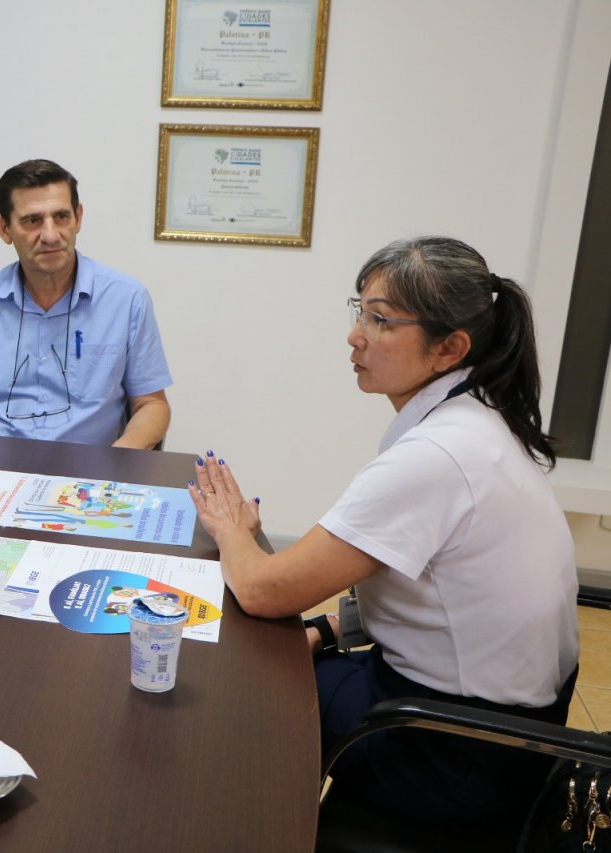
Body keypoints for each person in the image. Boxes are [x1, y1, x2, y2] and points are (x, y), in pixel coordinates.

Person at [188, 236, 579, 827]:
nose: (355, 335)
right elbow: (430, 594)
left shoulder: (439, 455)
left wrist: (230, 529)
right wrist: (327, 628)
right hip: (504, 726)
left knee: (247, 692)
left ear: (449, 347)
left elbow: (266, 590)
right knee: (279, 660)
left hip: (452, 748)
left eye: (380, 320)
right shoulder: (478, 419)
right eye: (360, 310)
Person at [0, 159, 172, 449]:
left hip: (86, 478)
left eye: (61, 217)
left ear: (78, 218)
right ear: (4, 229)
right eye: (32, 221)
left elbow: (152, 404)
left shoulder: (127, 301)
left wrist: (122, 455)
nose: (51, 235)